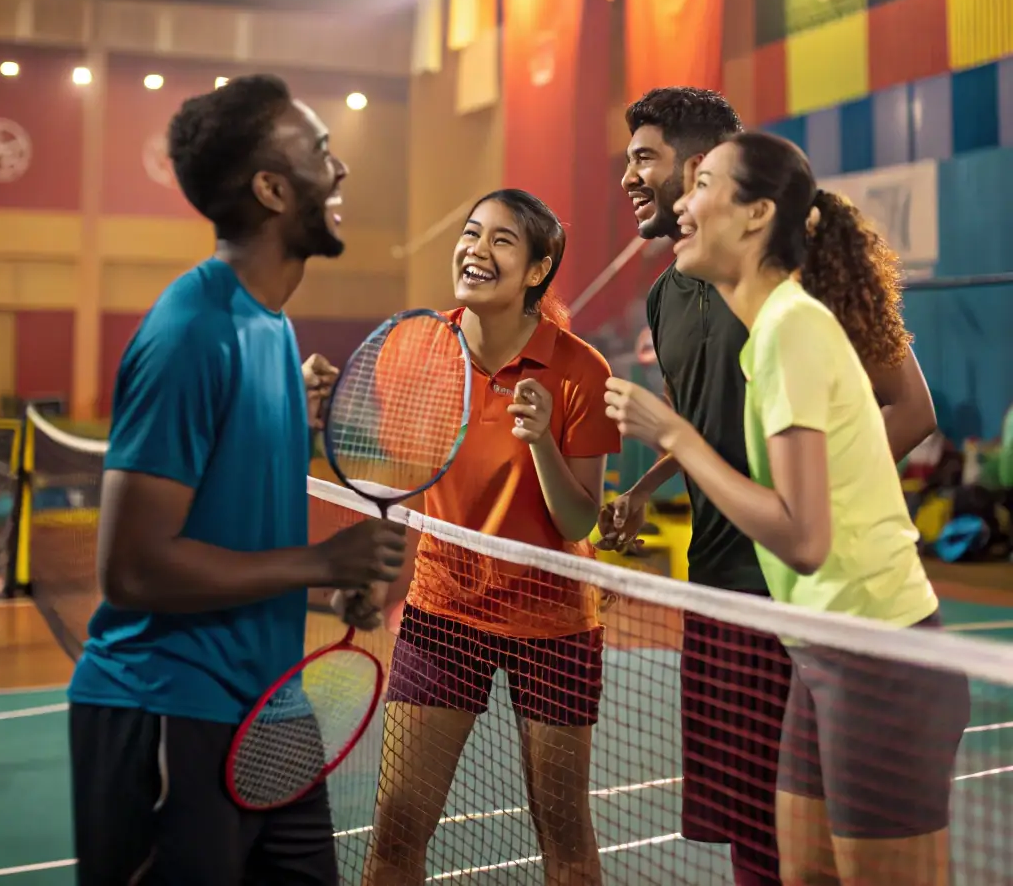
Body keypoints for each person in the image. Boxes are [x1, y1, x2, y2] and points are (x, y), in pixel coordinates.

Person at [68, 75, 407, 886]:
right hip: (170, 707)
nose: (341, 171)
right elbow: (134, 567)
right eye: (322, 152)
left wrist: (335, 589)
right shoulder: (192, 332)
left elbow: (239, 540)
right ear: (271, 187)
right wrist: (325, 563)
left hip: (272, 704)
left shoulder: (273, 331)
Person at [605, 131, 969, 886]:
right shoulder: (769, 333)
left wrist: (672, 434)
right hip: (815, 647)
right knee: (800, 873)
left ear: (756, 213)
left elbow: (803, 537)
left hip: (880, 654)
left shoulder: (793, 328)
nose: (681, 201)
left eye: (702, 183)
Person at [362, 189, 620, 886]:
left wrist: (541, 444)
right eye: (472, 232)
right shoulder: (414, 347)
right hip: (444, 607)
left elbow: (579, 522)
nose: (477, 248)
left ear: (538, 269)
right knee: (395, 828)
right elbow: (406, 477)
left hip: (553, 619)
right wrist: (373, 576)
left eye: (502, 240)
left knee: (563, 830)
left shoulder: (580, 370)